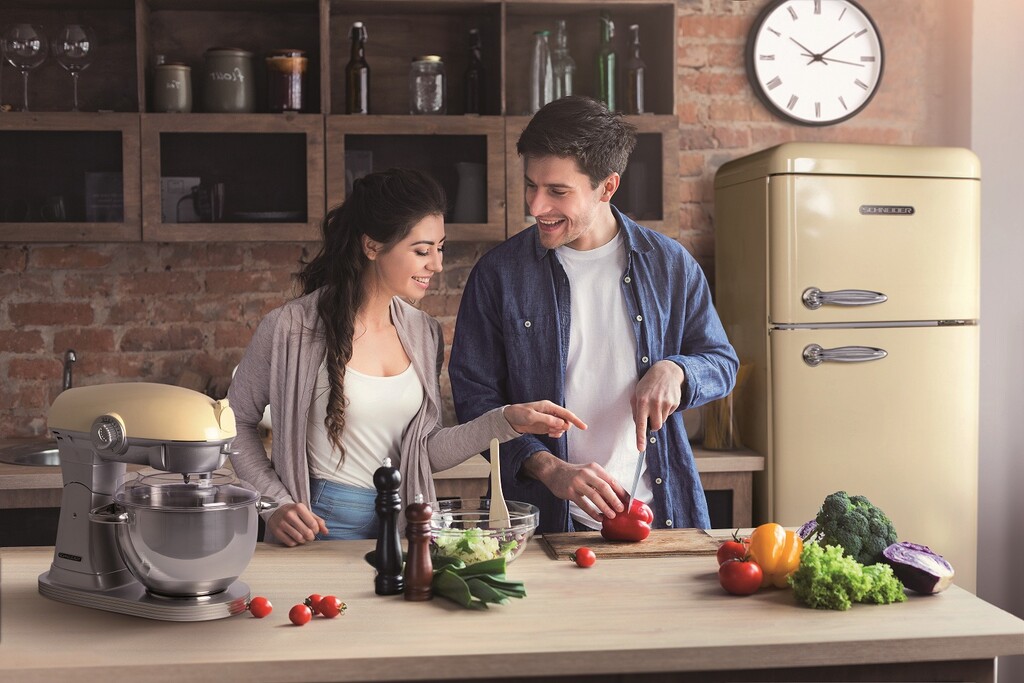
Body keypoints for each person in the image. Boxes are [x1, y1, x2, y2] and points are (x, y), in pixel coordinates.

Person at [229, 168, 585, 546]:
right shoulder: (289, 328)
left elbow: (424, 452)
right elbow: (234, 420)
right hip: (318, 525)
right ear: (372, 247)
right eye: (422, 251)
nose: (437, 264)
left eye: (440, 248)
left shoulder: (424, 333)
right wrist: (273, 503)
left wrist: (505, 421)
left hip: (406, 525)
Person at [449, 96, 738, 534]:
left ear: (607, 187)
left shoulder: (670, 266)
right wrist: (548, 467)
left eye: (558, 192)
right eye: (531, 185)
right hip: (542, 524)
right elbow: (475, 400)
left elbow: (721, 362)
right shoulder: (499, 275)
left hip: (657, 516)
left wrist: (676, 370)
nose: (536, 206)